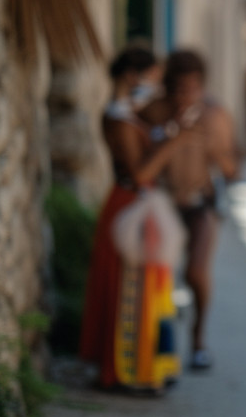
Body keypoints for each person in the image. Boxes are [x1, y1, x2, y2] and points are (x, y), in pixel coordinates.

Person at [80, 46, 186, 392]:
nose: (156, 86)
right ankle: (125, 369)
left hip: (136, 205)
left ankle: (148, 364)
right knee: (130, 288)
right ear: (132, 76)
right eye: (152, 77)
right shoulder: (118, 118)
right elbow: (140, 174)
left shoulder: (130, 115)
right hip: (130, 205)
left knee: (148, 287)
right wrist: (173, 144)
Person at [141, 49, 238, 372]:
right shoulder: (154, 111)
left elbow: (231, 167)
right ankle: (157, 347)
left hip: (201, 204)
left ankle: (198, 339)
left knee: (195, 271)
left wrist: (213, 150)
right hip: (162, 205)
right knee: (158, 278)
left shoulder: (214, 115)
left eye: (192, 88)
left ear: (202, 86)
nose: (186, 96)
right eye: (179, 88)